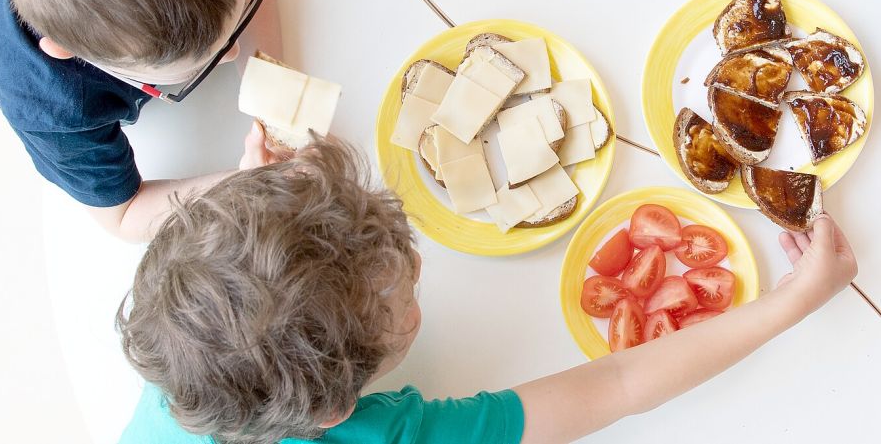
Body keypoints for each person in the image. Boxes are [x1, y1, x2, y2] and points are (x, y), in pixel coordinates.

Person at [115, 138, 858, 443]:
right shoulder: (388, 435)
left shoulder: (176, 343)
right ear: (336, 409)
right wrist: (788, 301)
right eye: (402, 304)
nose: (416, 290)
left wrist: (264, 188)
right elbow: (623, 380)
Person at [0, 0, 282, 242]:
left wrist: (275, 86)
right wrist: (247, 184)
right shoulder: (52, 107)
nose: (235, 54)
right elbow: (124, 215)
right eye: (197, 69)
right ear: (70, 52)